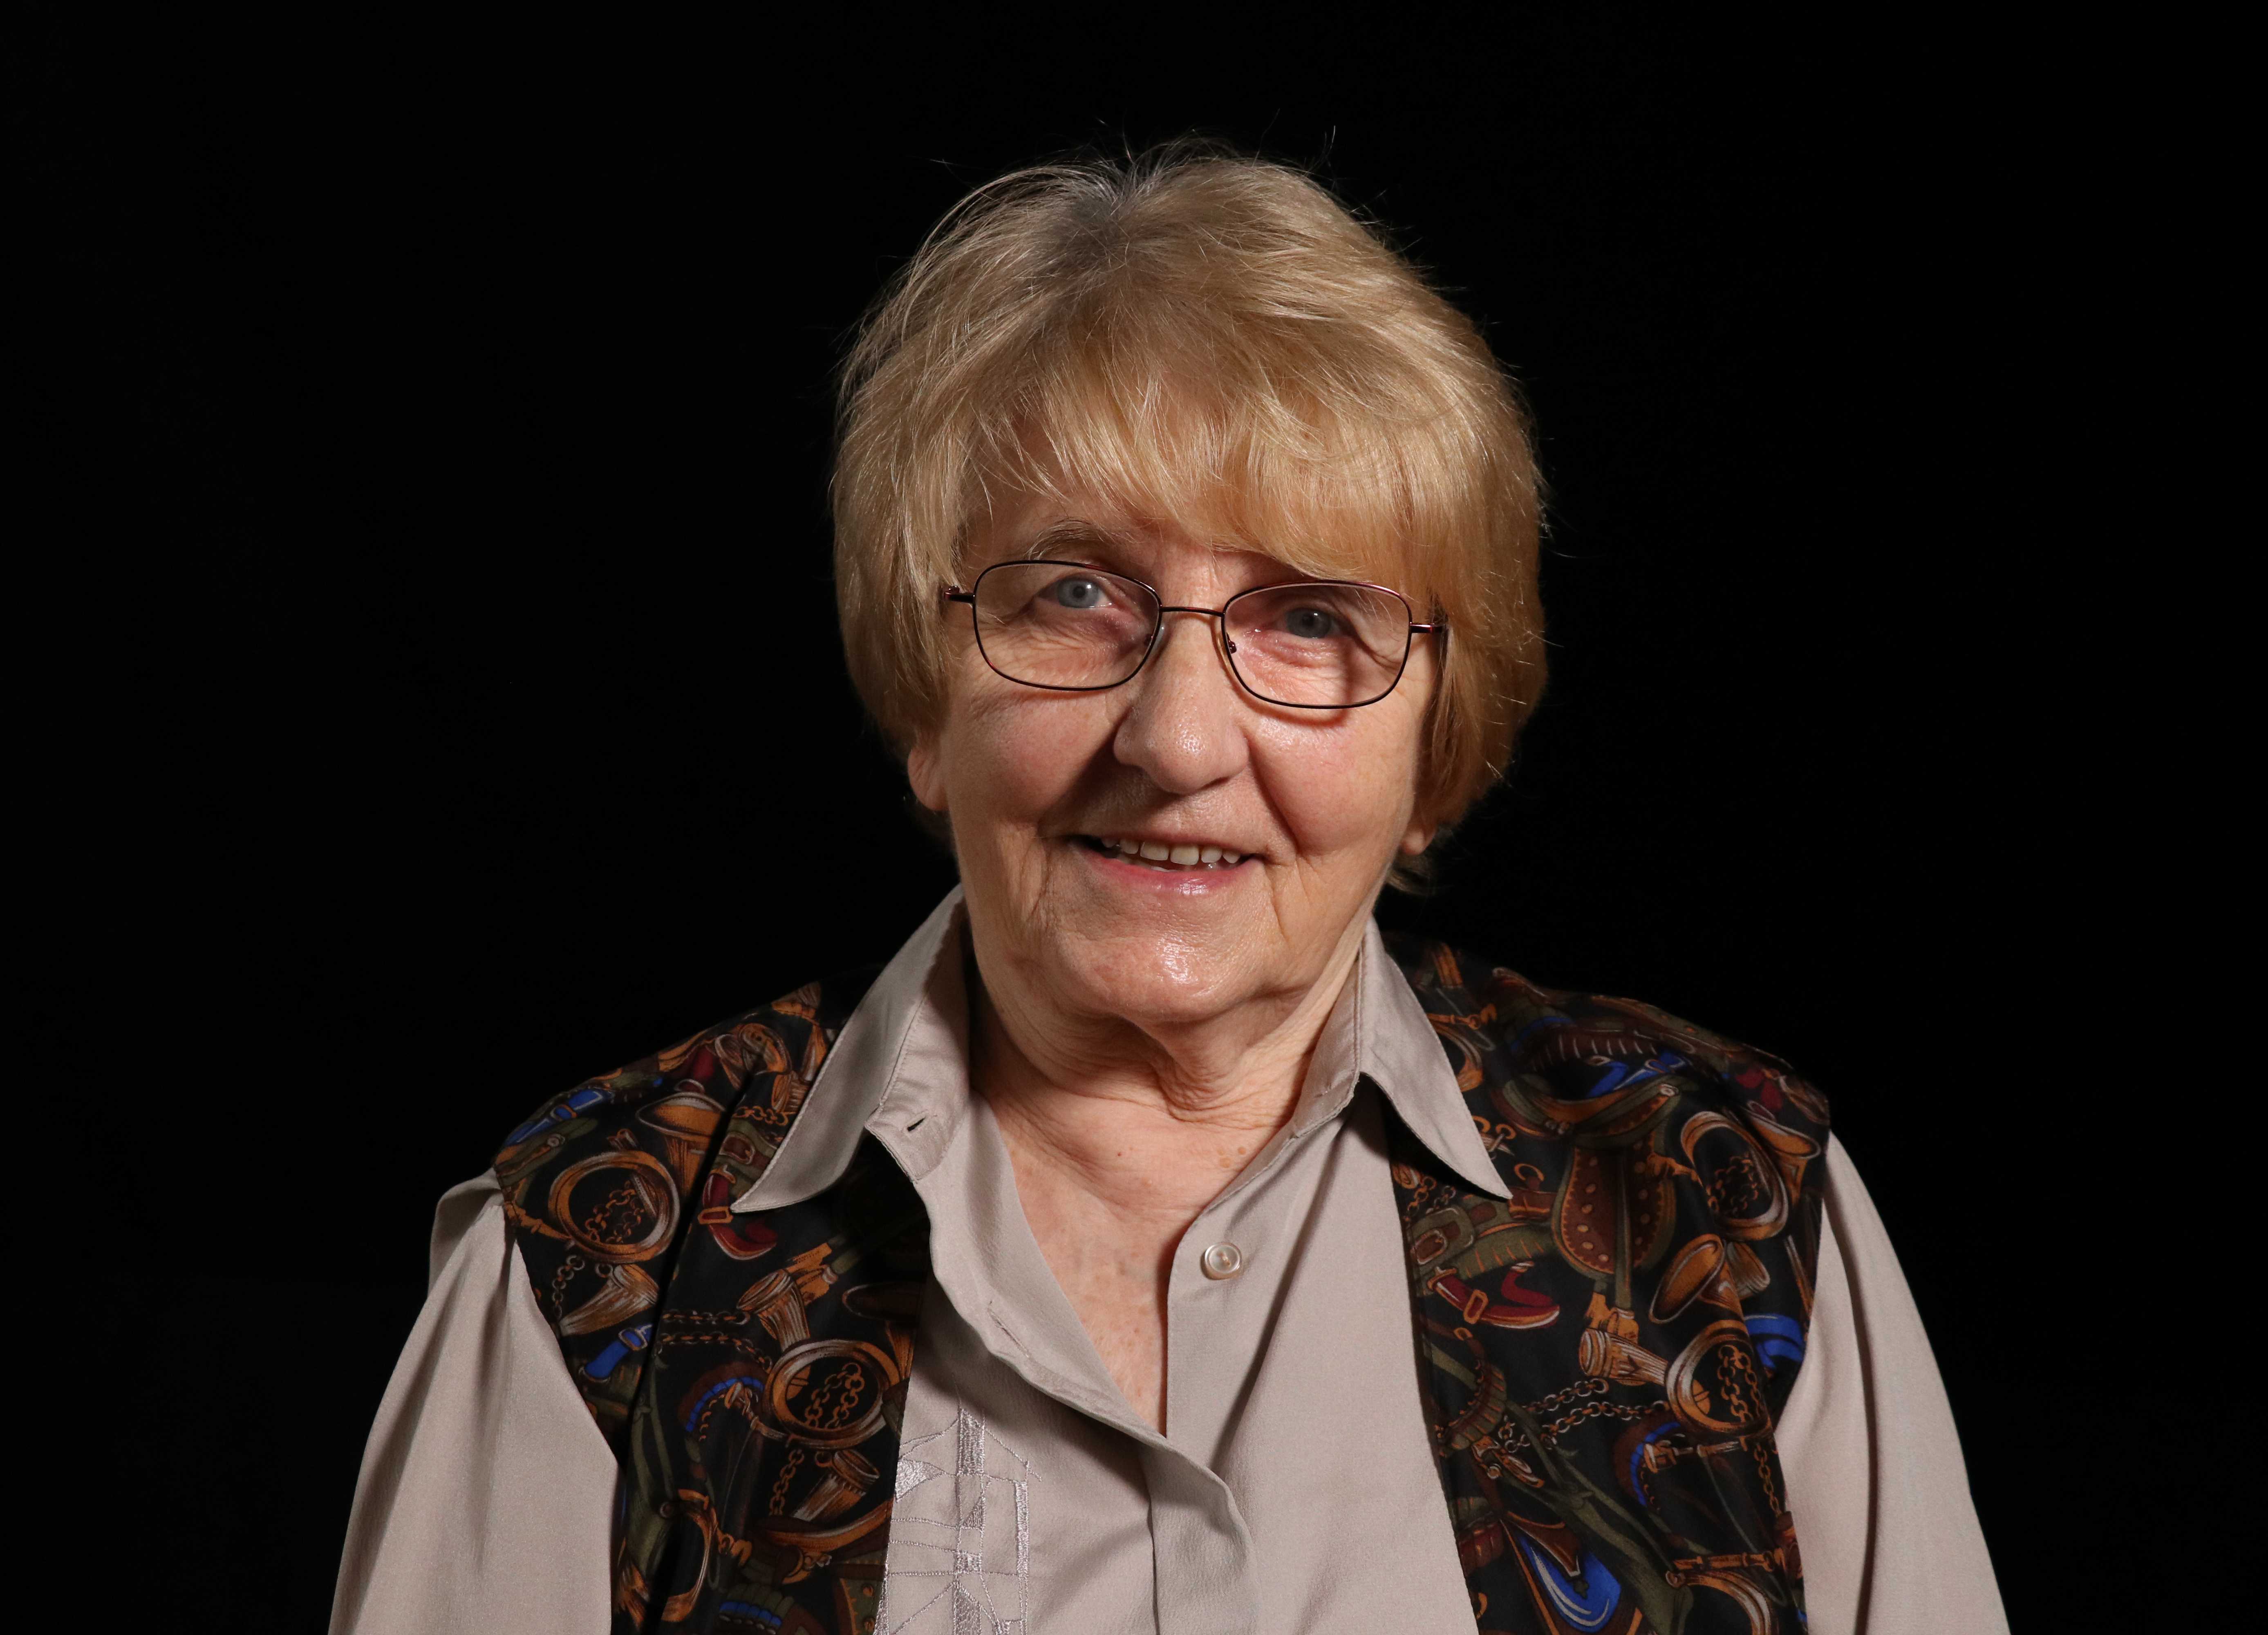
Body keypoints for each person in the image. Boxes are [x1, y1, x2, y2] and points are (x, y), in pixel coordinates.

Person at [331, 143, 2008, 1635]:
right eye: (1074, 594)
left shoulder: (1726, 1215)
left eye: (1311, 619)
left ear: (1438, 750)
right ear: (926, 701)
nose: (1180, 739)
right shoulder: (604, 1264)